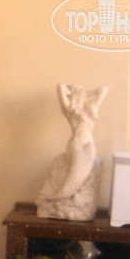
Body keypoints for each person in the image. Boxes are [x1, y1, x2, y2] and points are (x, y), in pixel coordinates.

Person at [36, 83, 108, 221]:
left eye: (82, 91)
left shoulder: (90, 108)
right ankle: (59, 195)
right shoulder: (71, 110)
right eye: (79, 91)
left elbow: (103, 90)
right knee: (77, 170)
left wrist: (85, 93)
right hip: (77, 143)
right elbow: (60, 87)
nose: (82, 92)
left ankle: (64, 195)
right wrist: (70, 92)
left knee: (87, 168)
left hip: (89, 143)